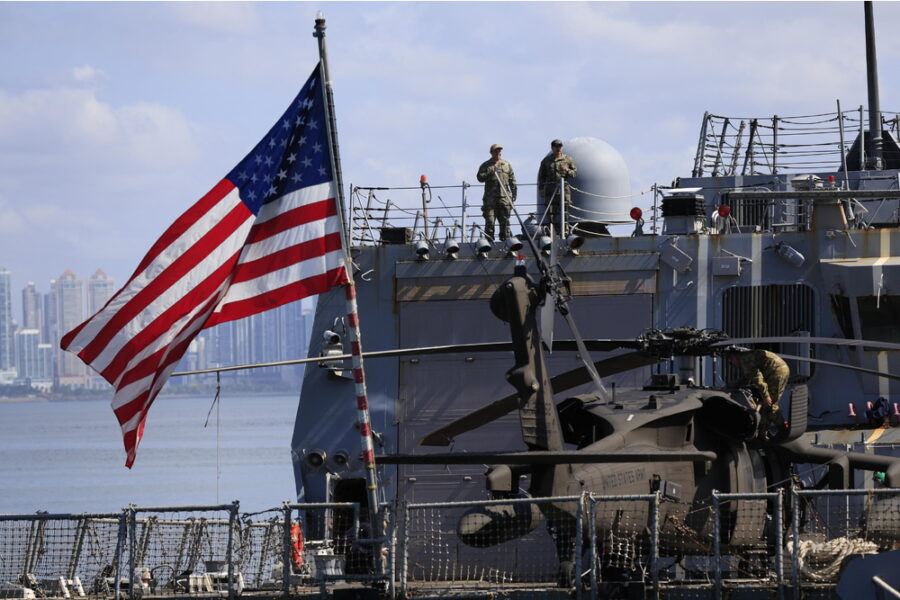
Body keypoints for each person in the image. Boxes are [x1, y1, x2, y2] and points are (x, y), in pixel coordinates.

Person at [728, 348, 790, 437]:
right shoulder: (746, 357)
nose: (732, 365)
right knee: (770, 404)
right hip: (781, 369)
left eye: (731, 362)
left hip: (776, 372)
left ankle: (774, 431)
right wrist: (730, 386)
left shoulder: (745, 360)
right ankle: (774, 429)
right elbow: (746, 378)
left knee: (769, 405)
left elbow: (758, 378)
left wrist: (765, 396)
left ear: (734, 357)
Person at [476, 144, 517, 241]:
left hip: (504, 198)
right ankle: (489, 242)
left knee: (504, 221)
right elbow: (479, 178)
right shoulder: (486, 165)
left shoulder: (506, 165)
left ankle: (505, 242)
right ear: (491, 152)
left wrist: (514, 192)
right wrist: (490, 172)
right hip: (490, 198)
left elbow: (512, 179)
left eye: (499, 151)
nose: (498, 152)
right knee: (490, 221)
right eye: (496, 151)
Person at [537, 139, 577, 232]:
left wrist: (567, 170)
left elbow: (574, 173)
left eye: (559, 146)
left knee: (565, 207)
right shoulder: (546, 161)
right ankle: (552, 229)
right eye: (556, 146)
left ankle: (565, 228)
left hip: (564, 188)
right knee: (550, 210)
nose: (558, 148)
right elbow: (541, 176)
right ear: (552, 148)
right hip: (551, 188)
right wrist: (541, 188)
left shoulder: (568, 159)